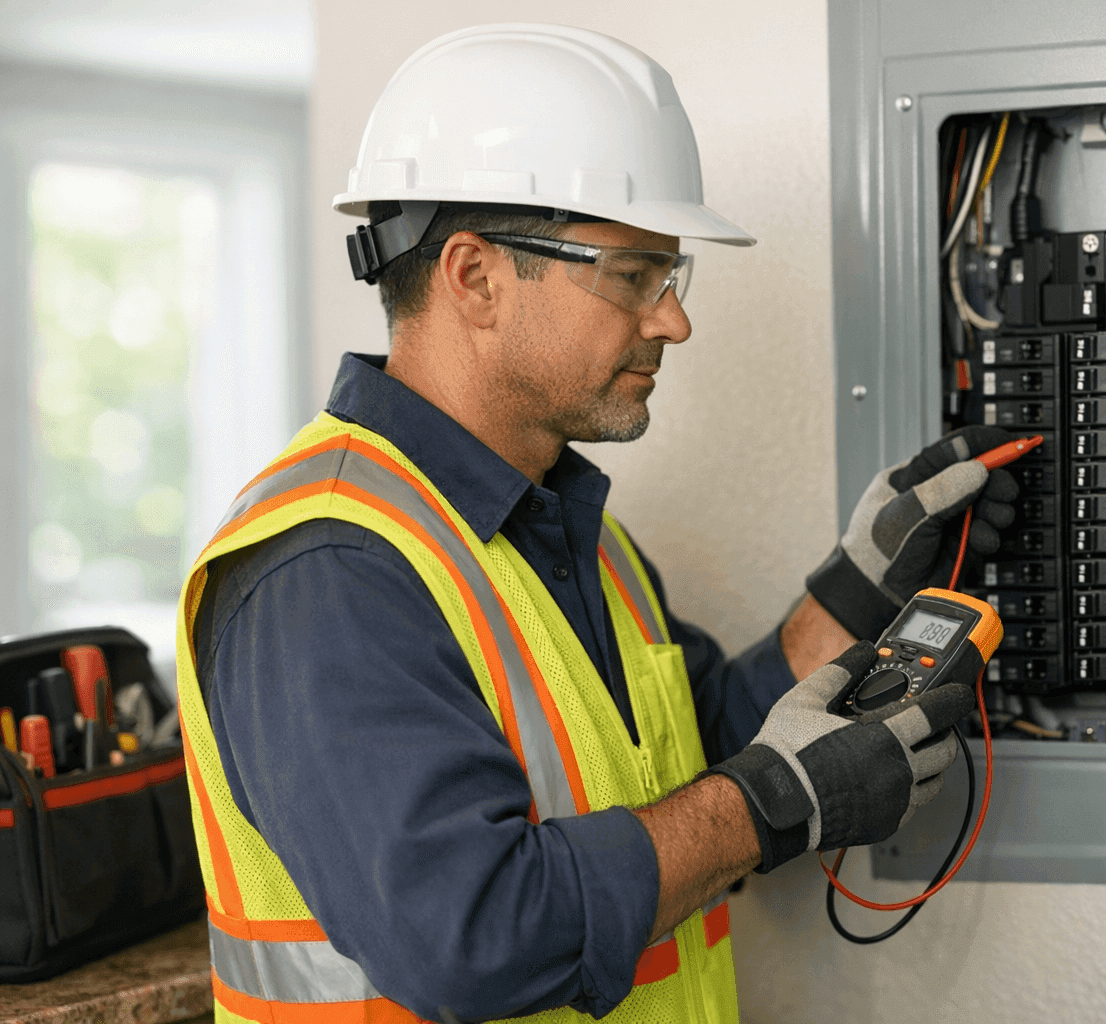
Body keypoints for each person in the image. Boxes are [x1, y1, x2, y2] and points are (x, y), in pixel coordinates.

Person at [174, 24, 1018, 1024]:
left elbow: (696, 752)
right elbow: (475, 933)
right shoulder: (326, 571)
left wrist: (858, 581)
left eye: (671, 276)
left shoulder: (575, 532)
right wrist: (774, 803)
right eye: (632, 276)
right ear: (475, 276)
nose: (673, 320)